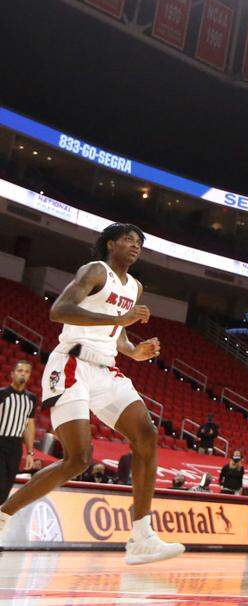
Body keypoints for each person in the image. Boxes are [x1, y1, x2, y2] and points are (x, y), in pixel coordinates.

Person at [0, 224, 183, 564]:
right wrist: (121, 318)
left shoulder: (135, 286)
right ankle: (4, 515)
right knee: (78, 458)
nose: (135, 245)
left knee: (146, 435)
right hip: (71, 362)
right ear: (110, 244)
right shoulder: (95, 271)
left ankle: (142, 536)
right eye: (128, 239)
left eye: (139, 241)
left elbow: (117, 333)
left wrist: (134, 350)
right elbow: (59, 311)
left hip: (105, 368)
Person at [0, 360, 38, 501]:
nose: (23, 374)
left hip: (16, 446)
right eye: (20, 370)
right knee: (1, 483)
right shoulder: (2, 394)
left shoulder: (31, 399)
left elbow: (29, 426)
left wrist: (29, 452)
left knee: (8, 485)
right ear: (12, 374)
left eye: (27, 372)